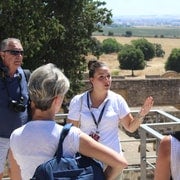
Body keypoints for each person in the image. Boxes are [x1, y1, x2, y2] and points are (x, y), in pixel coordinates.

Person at [9, 63, 128, 180]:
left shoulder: (15, 136)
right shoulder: (71, 136)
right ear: (57, 100)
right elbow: (120, 163)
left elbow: (15, 175)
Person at [67, 60, 154, 166]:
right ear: (91, 80)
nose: (106, 80)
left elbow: (130, 127)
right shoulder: (78, 101)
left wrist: (141, 114)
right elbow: (71, 133)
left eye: (108, 76)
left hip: (113, 162)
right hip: (87, 161)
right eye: (101, 77)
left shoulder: (117, 100)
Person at [0, 38, 29, 179]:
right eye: (14, 52)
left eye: (21, 52)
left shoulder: (23, 74)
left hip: (19, 138)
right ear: (2, 54)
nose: (19, 56)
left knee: (18, 174)